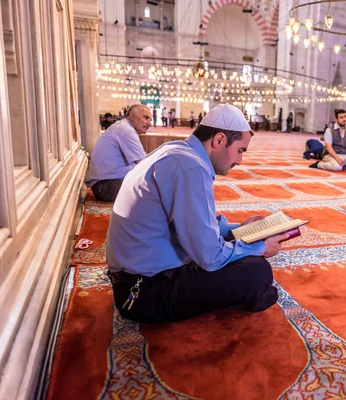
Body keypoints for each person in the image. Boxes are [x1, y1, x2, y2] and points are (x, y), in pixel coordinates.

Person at [106, 104, 287, 323]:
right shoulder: (189, 167)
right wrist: (260, 247)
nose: (240, 161)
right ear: (219, 140)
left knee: (250, 266)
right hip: (143, 292)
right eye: (240, 150)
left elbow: (196, 223)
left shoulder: (177, 153)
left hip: (138, 278)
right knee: (257, 272)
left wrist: (240, 229)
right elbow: (210, 256)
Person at [85, 104, 150, 202]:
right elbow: (144, 165)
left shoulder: (124, 127)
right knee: (156, 189)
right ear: (132, 116)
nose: (149, 124)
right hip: (106, 187)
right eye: (146, 118)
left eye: (150, 120)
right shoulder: (126, 131)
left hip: (105, 184)